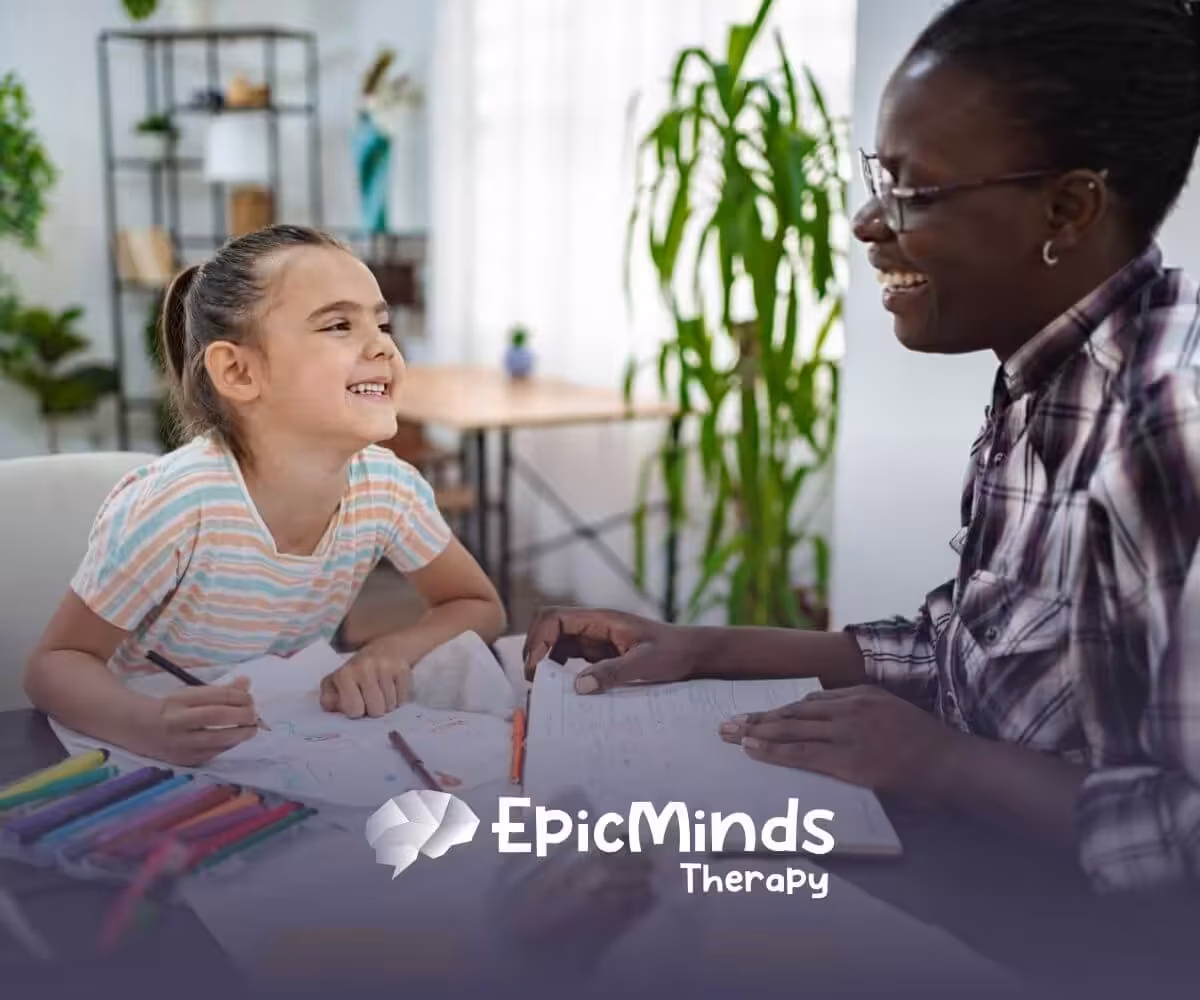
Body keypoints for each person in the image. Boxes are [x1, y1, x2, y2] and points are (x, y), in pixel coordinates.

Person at [523, 0, 1200, 894]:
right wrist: (700, 647)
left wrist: (946, 764)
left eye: (914, 190)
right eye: (879, 174)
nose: (866, 222)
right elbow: (958, 645)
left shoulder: (1166, 427)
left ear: (1067, 208)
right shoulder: (1049, 374)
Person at [24, 225, 506, 767]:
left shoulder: (387, 489)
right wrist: (149, 724)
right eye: (340, 325)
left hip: (281, 738)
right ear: (238, 371)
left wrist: (391, 650)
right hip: (148, 752)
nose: (384, 347)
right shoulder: (178, 505)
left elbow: (478, 604)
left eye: (383, 322)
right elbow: (55, 664)